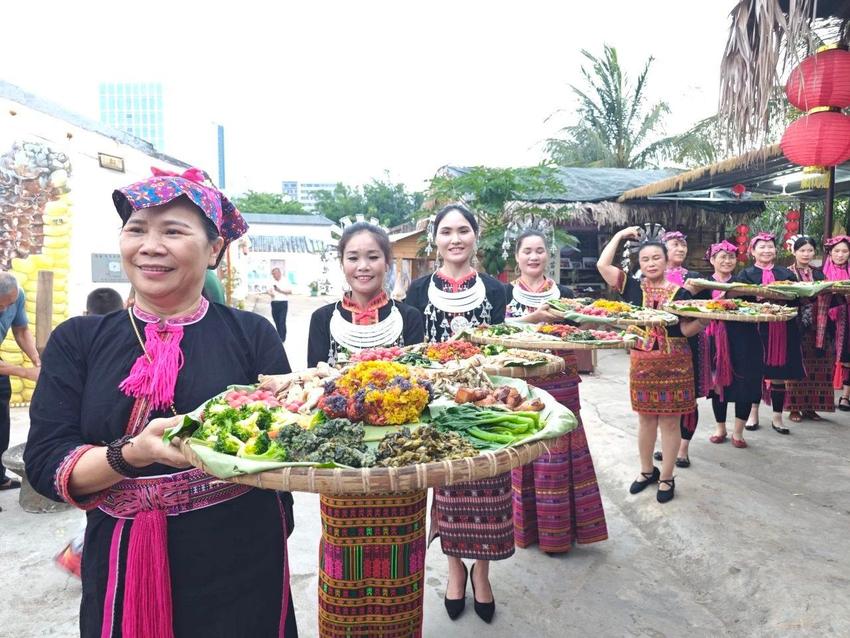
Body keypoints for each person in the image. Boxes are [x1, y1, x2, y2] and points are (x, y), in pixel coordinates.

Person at [24, 167, 298, 637]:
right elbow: (47, 461)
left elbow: (289, 438)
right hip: (124, 554)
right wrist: (133, 453)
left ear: (214, 249)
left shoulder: (252, 335)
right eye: (136, 229)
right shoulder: (78, 340)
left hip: (241, 550)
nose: (150, 245)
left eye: (173, 230)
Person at [306, 221, 426, 636]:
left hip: (400, 456)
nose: (363, 266)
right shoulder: (323, 319)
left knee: (401, 558)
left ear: (388, 263)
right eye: (353, 257)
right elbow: (315, 387)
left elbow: (417, 387)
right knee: (343, 557)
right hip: (341, 461)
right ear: (341, 263)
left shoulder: (410, 317)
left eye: (373, 256)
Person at [405, 203, 509, 623]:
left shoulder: (496, 290)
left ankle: (482, 571)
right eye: (446, 231)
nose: (455, 239)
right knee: (446, 489)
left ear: (475, 236)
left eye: (463, 230)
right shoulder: (415, 292)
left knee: (490, 484)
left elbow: (503, 350)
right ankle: (453, 568)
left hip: (486, 405)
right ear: (435, 239)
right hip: (438, 405)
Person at [505, 229, 608, 553]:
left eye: (539, 251)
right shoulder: (505, 294)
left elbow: (579, 331)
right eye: (527, 251)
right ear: (517, 257)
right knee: (524, 445)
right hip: (522, 381)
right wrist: (532, 318)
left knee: (560, 452)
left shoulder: (563, 293)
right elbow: (497, 332)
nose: (533, 257)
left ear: (548, 255)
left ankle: (559, 533)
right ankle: (525, 531)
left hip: (562, 380)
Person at [597, 227, 707, 504]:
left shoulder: (681, 293)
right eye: (645, 259)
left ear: (667, 260)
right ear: (640, 263)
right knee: (645, 420)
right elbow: (602, 265)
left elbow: (685, 330)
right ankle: (647, 471)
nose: (651, 263)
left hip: (676, 364)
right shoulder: (631, 287)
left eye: (656, 258)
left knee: (670, 422)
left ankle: (667, 476)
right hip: (642, 363)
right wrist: (620, 235)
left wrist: (705, 320)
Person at [55, 287, 127, 577]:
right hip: (111, 446)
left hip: (92, 443)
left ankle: (78, 551)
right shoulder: (115, 342)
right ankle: (79, 551)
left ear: (86, 312)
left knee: (100, 501)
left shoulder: (78, 342)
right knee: (105, 501)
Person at [737, 232, 804, 435]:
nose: (766, 250)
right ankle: (753, 413)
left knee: (779, 374)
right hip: (756, 329)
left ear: (776, 250)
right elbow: (740, 302)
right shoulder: (745, 275)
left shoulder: (787, 275)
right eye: (762, 247)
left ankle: (777, 417)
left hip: (783, 329)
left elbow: (798, 299)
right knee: (756, 372)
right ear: (752, 251)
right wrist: (758, 297)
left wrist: (784, 298)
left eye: (770, 247)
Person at [700, 241, 764, 449]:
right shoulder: (703, 284)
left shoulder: (742, 283)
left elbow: (756, 307)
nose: (727, 261)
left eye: (731, 257)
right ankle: (720, 428)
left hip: (744, 340)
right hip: (714, 341)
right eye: (722, 257)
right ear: (712, 260)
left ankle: (738, 432)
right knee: (718, 384)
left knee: (745, 382)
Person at [656, 231, 708, 469]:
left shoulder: (696, 279)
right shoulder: (653, 278)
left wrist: (692, 296)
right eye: (675, 244)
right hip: (659, 343)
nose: (680, 248)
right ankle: (666, 443)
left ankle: (683, 448)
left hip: (690, 341)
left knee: (689, 397)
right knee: (662, 397)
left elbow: (709, 307)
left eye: (683, 244)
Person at [785, 237, 833, 421]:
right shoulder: (787, 273)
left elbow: (829, 297)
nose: (806, 254)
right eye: (802, 250)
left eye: (810, 250)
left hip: (819, 326)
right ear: (794, 252)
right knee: (797, 364)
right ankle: (794, 408)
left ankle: (812, 407)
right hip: (796, 325)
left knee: (819, 365)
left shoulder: (820, 274)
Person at [0, 272, 40, 492]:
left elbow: (21, 329)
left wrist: (35, 359)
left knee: (1, 423)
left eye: (9, 304)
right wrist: (26, 373)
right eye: (0, 305)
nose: (5, 310)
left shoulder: (17, 296)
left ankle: (0, 478)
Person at [819, 235, 850, 410]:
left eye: (845, 251)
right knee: (826, 356)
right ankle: (823, 397)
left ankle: (845, 396)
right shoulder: (820, 273)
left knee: (848, 356)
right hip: (827, 320)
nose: (840, 255)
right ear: (830, 253)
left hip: (849, 319)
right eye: (836, 251)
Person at [268, 267, 292, 341]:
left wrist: (279, 290)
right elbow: (268, 290)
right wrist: (270, 293)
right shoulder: (271, 281)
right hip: (274, 302)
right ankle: (279, 336)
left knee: (282, 320)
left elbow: (290, 292)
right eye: (273, 274)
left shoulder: (285, 280)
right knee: (276, 320)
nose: (274, 276)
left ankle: (282, 338)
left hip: (283, 302)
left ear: (279, 273)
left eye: (275, 274)